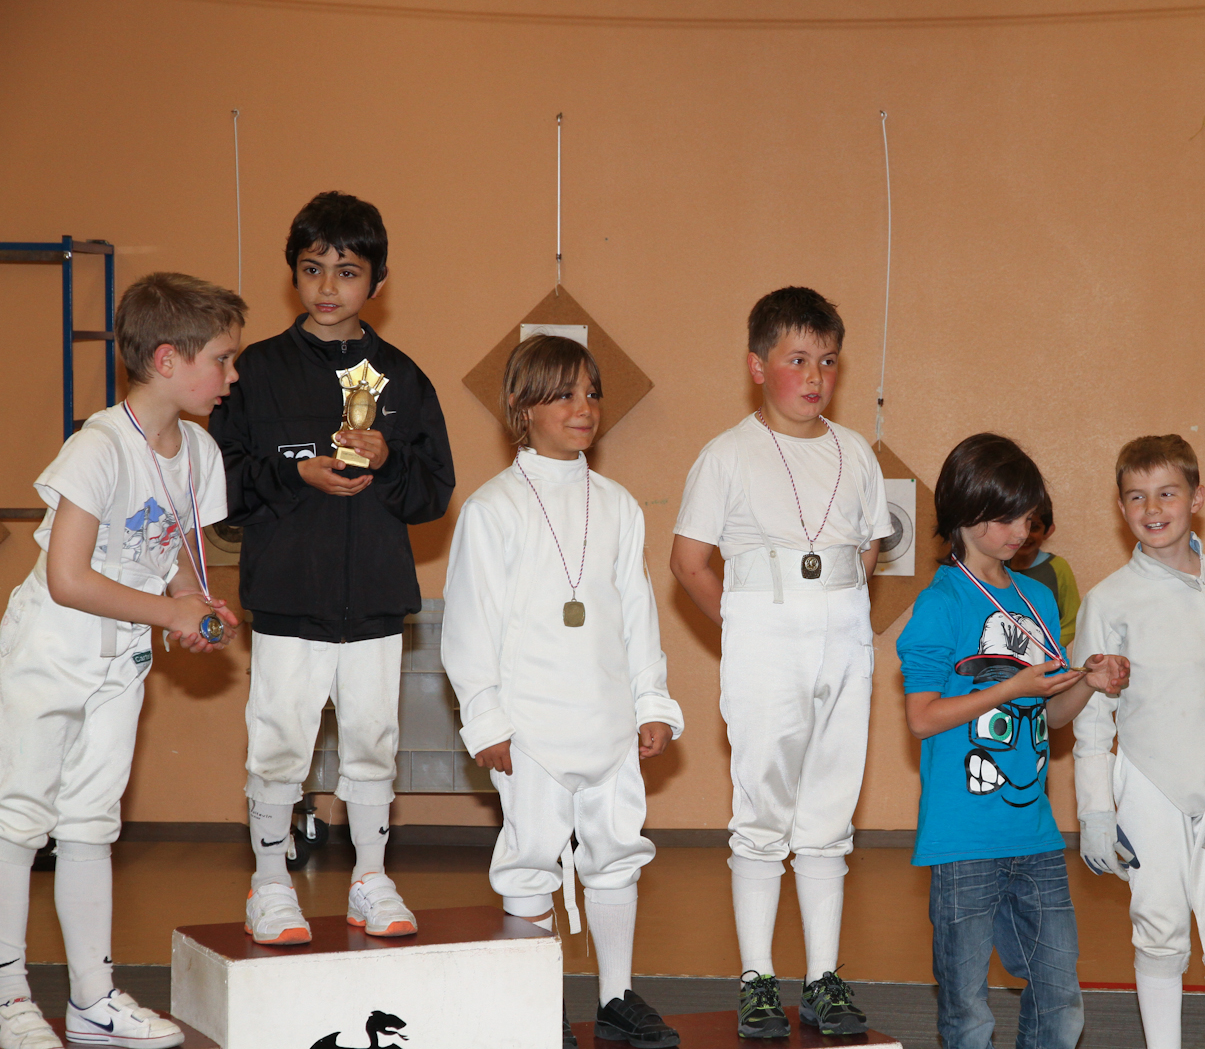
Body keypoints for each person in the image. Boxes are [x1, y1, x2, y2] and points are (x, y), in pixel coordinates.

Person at [0, 272, 246, 1049]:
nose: (232, 374)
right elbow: (68, 578)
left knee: (90, 821)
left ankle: (92, 999)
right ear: (168, 359)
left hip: (120, 657)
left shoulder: (199, 450)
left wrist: (196, 607)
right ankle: (7, 997)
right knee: (18, 818)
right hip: (51, 647)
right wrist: (169, 611)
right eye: (222, 358)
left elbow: (174, 557)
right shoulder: (99, 445)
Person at [208, 191, 454, 946]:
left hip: (375, 600)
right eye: (313, 268)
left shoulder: (402, 378)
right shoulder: (254, 373)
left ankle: (371, 879)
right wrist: (296, 475)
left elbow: (433, 492)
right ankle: (270, 884)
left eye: (347, 272)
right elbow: (220, 487)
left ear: (376, 282)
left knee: (374, 740)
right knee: (279, 739)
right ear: (293, 274)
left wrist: (388, 460)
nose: (327, 287)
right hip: (288, 600)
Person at [441, 336, 683, 1049]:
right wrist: (485, 717)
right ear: (522, 406)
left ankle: (615, 997)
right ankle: (536, 1005)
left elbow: (637, 614)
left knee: (616, 851)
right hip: (530, 731)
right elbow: (469, 625)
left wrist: (651, 702)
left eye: (592, 393)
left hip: (609, 723)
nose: (585, 408)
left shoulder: (617, 505)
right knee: (530, 858)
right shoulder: (493, 509)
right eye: (565, 394)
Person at [669, 287, 890, 1038]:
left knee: (829, 807)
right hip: (763, 632)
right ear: (758, 366)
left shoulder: (855, 452)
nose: (815, 375)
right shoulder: (727, 454)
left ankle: (824, 976)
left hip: (843, 633)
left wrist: (837, 620)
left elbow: (866, 551)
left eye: (828, 360)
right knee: (762, 807)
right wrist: (745, 627)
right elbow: (689, 561)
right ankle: (757, 977)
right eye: (797, 359)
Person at [896, 433, 1127, 1049]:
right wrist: (1012, 686)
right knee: (967, 1012)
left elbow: (1051, 717)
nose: (1019, 532)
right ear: (962, 514)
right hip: (961, 841)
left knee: (1061, 1002)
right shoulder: (940, 603)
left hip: (1034, 834)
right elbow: (922, 718)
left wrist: (1087, 683)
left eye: (1026, 517)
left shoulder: (1038, 596)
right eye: (1003, 519)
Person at [1073, 434, 1205, 1049]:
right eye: (1137, 496)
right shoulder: (1108, 600)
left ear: (1196, 498)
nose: (1153, 508)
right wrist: (1095, 811)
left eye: (1167, 493)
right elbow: (1093, 717)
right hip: (1146, 783)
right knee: (1158, 927)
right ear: (1121, 507)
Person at [1006, 503, 1081, 649]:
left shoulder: (1058, 567)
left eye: (1034, 527)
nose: (1025, 534)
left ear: (1048, 531)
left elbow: (1073, 620)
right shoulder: (999, 567)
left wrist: (1046, 647)